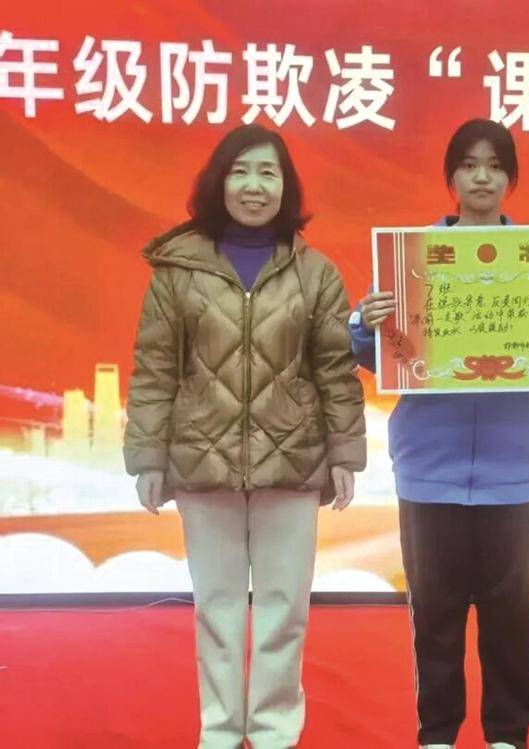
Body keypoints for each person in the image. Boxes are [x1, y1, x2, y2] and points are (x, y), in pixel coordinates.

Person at [349, 118, 529, 749]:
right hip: (430, 466)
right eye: (469, 165)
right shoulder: (410, 259)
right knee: (435, 615)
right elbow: (372, 353)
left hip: (518, 467)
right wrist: (364, 324)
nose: (482, 177)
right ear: (450, 178)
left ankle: (507, 734)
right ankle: (437, 735)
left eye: (496, 166)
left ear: (510, 180)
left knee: (511, 616)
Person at [123, 123, 366, 749]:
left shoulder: (316, 273)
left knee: (285, 609)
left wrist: (345, 453)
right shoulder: (177, 271)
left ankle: (275, 731)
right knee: (218, 607)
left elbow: (334, 370)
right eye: (240, 171)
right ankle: (222, 731)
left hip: (294, 461)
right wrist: (148, 457)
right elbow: (155, 369)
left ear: (286, 187)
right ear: (219, 182)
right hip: (201, 462)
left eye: (268, 173)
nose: (254, 186)